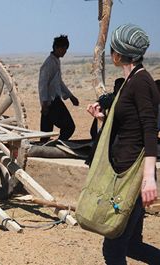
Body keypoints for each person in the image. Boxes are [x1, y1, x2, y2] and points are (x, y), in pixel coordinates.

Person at [87, 24, 160, 264]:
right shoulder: (132, 80)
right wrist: (102, 119)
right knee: (131, 245)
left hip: (133, 178)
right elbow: (132, 125)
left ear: (117, 54)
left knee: (113, 249)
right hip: (128, 175)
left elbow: (150, 129)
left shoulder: (140, 82)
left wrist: (148, 178)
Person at [38, 34, 79, 142]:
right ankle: (59, 144)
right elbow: (42, 84)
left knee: (46, 132)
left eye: (66, 49)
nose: (65, 51)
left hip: (52, 100)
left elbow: (59, 82)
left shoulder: (56, 61)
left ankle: (49, 148)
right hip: (51, 102)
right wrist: (44, 103)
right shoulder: (49, 63)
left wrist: (70, 96)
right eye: (63, 49)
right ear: (56, 48)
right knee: (69, 127)